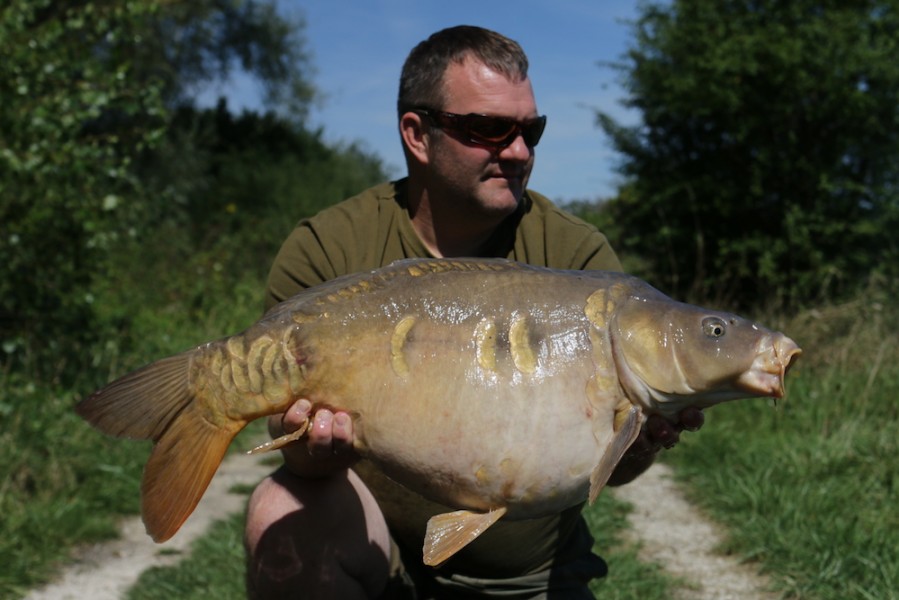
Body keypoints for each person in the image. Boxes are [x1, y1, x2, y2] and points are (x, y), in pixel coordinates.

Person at [244, 25, 703, 599]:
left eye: (530, 131)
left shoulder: (579, 263)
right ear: (417, 134)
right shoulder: (330, 249)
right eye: (489, 129)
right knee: (279, 506)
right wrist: (312, 447)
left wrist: (642, 443)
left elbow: (615, 467)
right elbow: (299, 458)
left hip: (532, 579)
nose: (517, 151)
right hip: (376, 559)